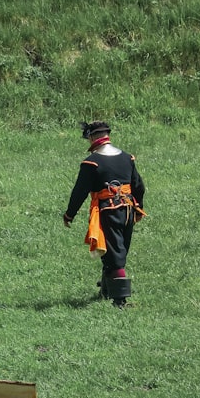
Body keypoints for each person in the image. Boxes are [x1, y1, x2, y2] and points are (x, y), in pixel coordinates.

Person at [63, 121, 146, 307]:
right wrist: (138, 208)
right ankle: (107, 291)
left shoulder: (91, 162)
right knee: (114, 250)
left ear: (92, 137)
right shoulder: (127, 158)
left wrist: (69, 214)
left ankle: (120, 301)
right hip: (128, 210)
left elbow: (80, 192)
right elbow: (139, 186)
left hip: (109, 212)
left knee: (114, 255)